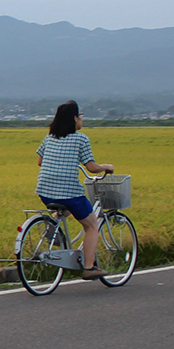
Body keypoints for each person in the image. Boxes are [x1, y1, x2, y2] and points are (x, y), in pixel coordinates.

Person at [35, 100, 114, 280]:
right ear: (74, 119)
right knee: (92, 226)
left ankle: (52, 227)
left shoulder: (49, 137)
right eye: (80, 116)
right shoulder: (81, 138)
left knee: (65, 206)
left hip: (44, 192)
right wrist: (106, 166)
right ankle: (89, 267)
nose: (81, 119)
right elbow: (92, 167)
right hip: (70, 193)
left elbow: (40, 162)